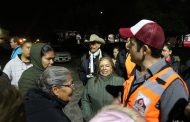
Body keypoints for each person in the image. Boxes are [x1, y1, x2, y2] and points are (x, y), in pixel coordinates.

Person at [119, 19, 189, 122]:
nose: (127, 47)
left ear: (144, 50)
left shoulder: (173, 86)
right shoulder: (136, 72)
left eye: (132, 44)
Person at [81, 56, 125, 121]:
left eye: (107, 66)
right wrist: (88, 117)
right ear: (99, 68)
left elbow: (125, 102)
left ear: (111, 67)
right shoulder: (91, 82)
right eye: (101, 66)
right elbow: (85, 100)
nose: (104, 68)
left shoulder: (120, 81)